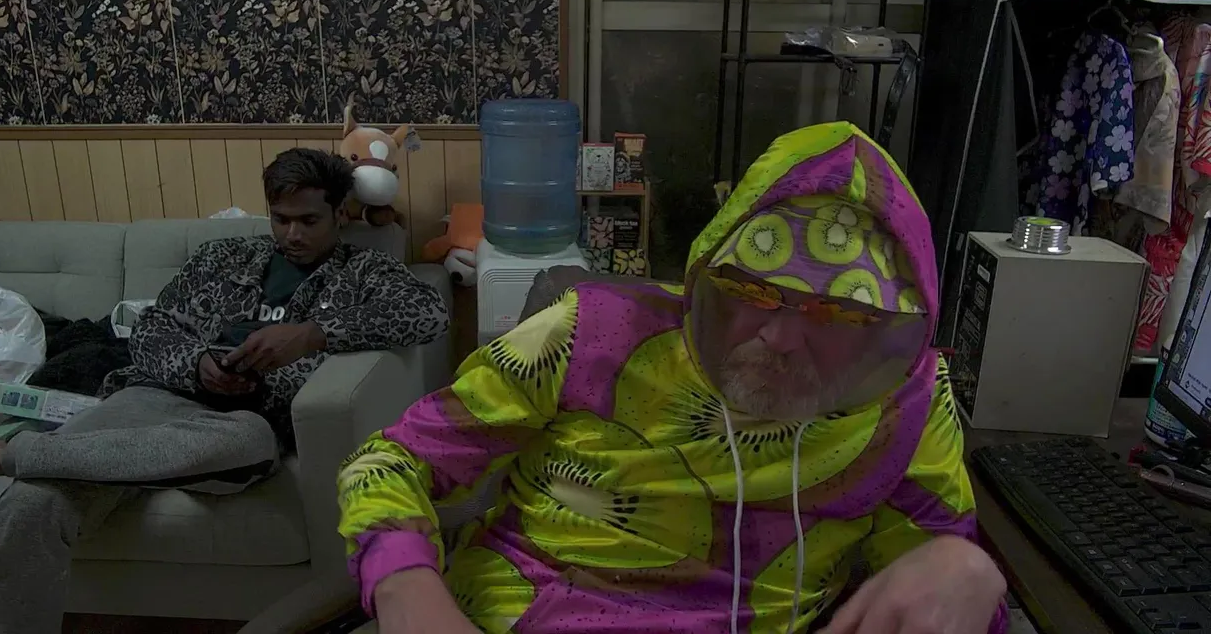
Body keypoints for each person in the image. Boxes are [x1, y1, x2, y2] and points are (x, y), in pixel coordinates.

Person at [336, 123, 1008, 634]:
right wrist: (407, 591)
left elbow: (933, 601)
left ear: (886, 328)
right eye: (752, 291)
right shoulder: (588, 331)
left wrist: (966, 569)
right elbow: (392, 461)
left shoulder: (910, 400)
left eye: (835, 313)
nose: (778, 337)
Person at [0, 147, 450, 634]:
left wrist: (312, 334)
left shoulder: (363, 271)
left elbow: (428, 312)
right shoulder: (222, 257)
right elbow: (152, 327)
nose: (292, 234)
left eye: (309, 221)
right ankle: (9, 463)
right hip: (156, 396)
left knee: (248, 443)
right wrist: (197, 364)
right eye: (280, 219)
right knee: (28, 506)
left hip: (245, 419)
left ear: (339, 213)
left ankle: (3, 454)